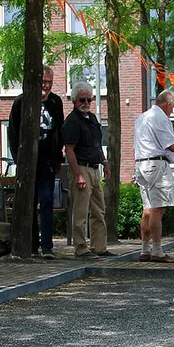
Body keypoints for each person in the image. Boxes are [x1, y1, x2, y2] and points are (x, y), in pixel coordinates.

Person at [7, 65, 64, 259]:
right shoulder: (21, 102)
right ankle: (31, 245)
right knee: (28, 202)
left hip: (47, 160)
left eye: (49, 82)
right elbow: (13, 133)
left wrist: (58, 158)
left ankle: (47, 246)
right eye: (44, 82)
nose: (46, 86)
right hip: (27, 162)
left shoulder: (56, 102)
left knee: (47, 200)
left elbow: (59, 130)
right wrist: (19, 160)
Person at [134, 89, 174, 263]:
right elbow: (171, 146)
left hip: (141, 164)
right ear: (168, 103)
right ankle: (157, 251)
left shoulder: (142, 117)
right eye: (173, 107)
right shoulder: (160, 117)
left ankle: (145, 250)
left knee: (147, 209)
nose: (172, 111)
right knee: (158, 210)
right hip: (156, 165)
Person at [62, 82, 112, 260]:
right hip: (81, 168)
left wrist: (105, 162)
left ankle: (99, 246)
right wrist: (78, 174)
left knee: (99, 209)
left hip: (94, 168)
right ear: (74, 100)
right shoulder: (72, 122)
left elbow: (97, 145)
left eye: (89, 99)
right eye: (82, 99)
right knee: (81, 211)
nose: (86, 102)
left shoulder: (91, 118)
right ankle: (81, 248)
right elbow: (69, 150)